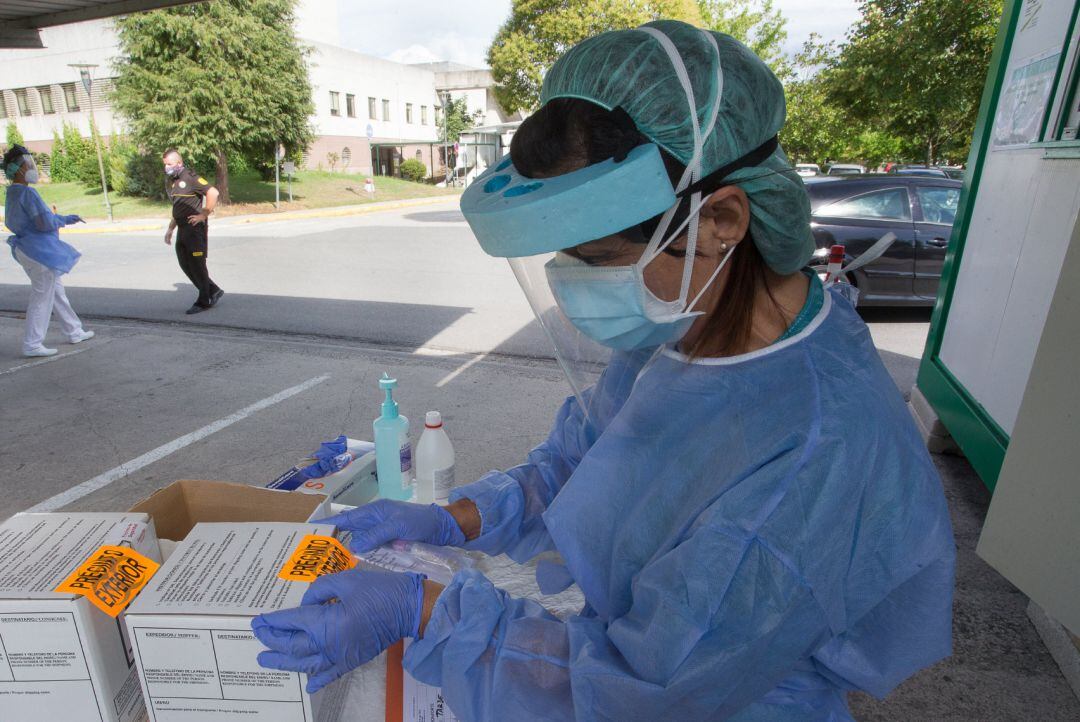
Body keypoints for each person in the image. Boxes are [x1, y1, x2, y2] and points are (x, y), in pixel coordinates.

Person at [253, 22, 955, 721]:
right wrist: (452, 519)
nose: (571, 286)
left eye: (598, 260)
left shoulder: (816, 446)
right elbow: (588, 460)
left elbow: (646, 687)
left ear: (722, 220)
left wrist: (423, 607)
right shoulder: (692, 319)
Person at [3, 144, 94, 357]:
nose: (32, 168)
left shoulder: (12, 193)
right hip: (39, 252)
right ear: (19, 169)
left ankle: (74, 330)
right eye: (28, 164)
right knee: (42, 297)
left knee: (56, 292)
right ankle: (32, 344)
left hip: (27, 249)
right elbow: (43, 222)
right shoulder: (27, 193)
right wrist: (64, 219)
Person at [162, 149, 223, 314]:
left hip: (194, 230)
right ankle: (213, 290)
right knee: (185, 263)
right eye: (165, 164)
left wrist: (204, 214)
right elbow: (179, 207)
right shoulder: (175, 181)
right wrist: (170, 228)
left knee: (197, 265)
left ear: (179, 163)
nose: (167, 167)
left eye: (169, 164)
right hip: (182, 229)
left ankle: (204, 300)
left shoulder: (190, 177)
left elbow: (213, 192)